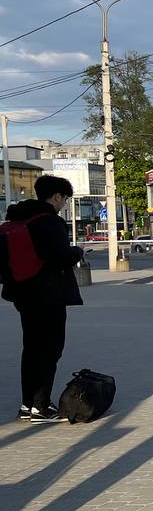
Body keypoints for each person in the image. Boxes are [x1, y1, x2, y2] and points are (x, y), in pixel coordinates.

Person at [3, 175, 84, 424]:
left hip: (22, 294)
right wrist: (77, 252)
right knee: (49, 350)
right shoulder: (50, 222)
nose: (64, 204)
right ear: (57, 196)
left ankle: (27, 405)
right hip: (48, 295)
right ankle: (41, 406)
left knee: (31, 350)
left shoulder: (19, 217)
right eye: (65, 199)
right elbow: (59, 257)